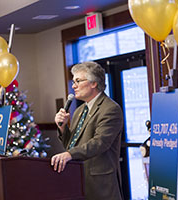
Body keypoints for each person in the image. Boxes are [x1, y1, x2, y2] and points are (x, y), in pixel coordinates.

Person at [51, 61, 124, 200]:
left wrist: (69, 154)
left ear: (93, 83)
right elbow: (70, 145)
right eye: (73, 81)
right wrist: (62, 127)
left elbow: (100, 143)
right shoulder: (79, 110)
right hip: (78, 181)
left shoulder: (110, 109)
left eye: (78, 81)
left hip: (100, 186)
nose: (73, 86)